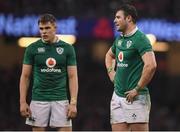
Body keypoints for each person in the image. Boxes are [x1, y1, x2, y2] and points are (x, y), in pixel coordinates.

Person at [19, 14, 78, 131]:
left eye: (47, 28)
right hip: (38, 99)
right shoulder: (32, 48)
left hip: (61, 99)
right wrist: (22, 102)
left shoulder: (67, 48)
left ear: (55, 28)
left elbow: (73, 76)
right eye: (41, 29)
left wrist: (73, 103)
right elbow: (25, 77)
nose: (44, 32)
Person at [105, 4, 157, 131]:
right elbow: (109, 56)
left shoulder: (140, 39)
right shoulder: (119, 39)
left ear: (128, 18)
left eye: (118, 17)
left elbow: (151, 65)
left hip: (136, 98)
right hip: (117, 96)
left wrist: (137, 88)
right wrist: (111, 73)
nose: (114, 20)